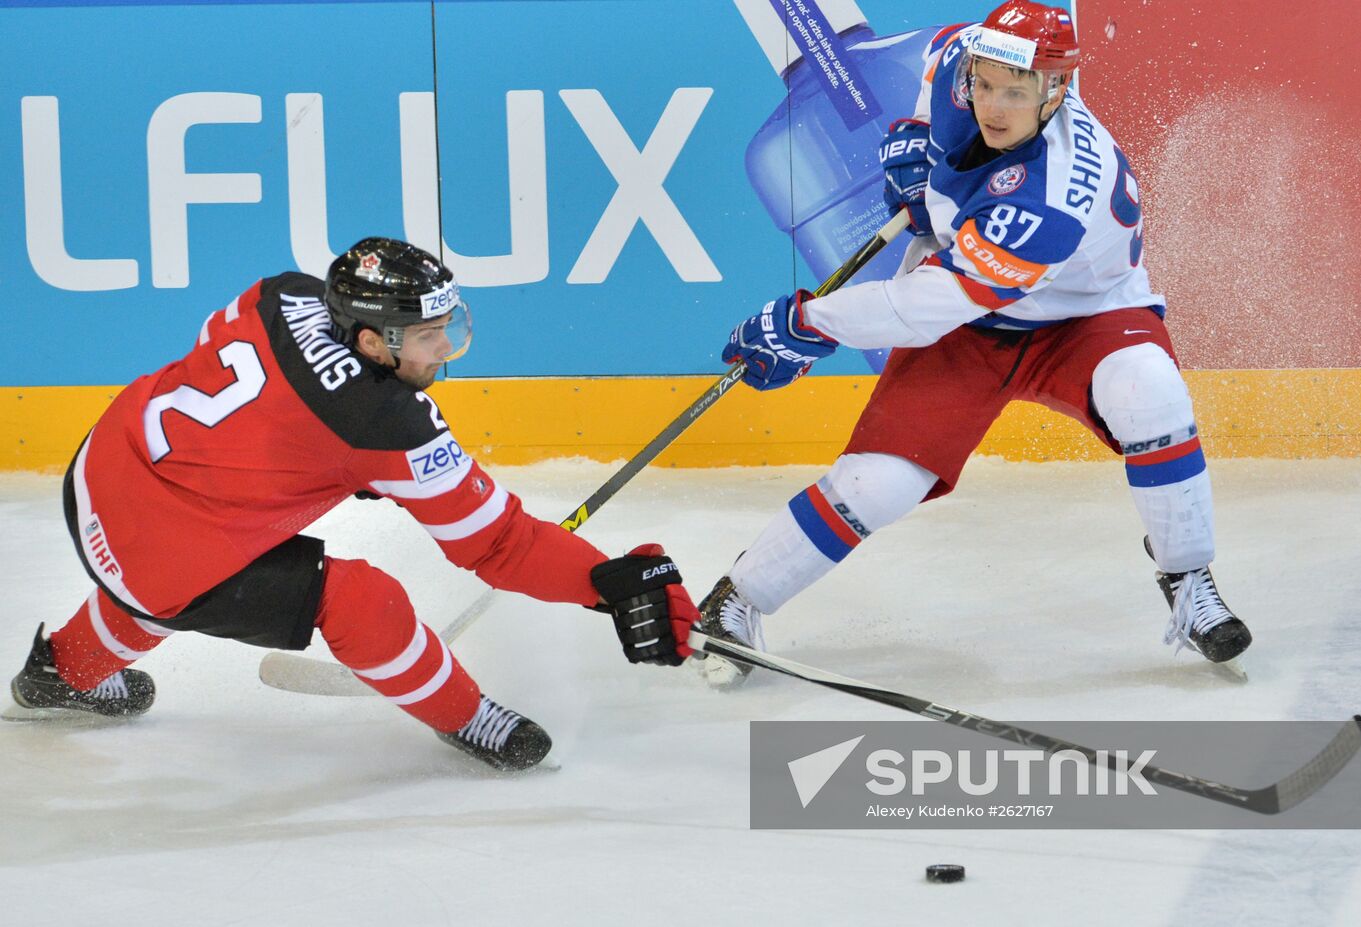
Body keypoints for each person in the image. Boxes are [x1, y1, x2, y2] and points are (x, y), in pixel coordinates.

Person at [695, 0, 1251, 688]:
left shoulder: (1052, 197)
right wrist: (916, 137)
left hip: (1081, 317)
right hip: (970, 322)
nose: (992, 104)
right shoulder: (962, 55)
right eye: (985, 84)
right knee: (880, 484)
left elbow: (919, 309)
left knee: (1151, 393)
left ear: (1057, 91)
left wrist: (809, 323)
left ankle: (1188, 577)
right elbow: (936, 91)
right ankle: (735, 602)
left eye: (1015, 93)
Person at [8, 237, 701, 770]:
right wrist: (605, 585)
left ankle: (61, 671)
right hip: (157, 552)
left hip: (103, 464)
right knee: (360, 599)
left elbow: (231, 366)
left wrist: (311, 455)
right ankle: (467, 715)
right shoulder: (385, 423)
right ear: (371, 340)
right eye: (430, 336)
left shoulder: (286, 293)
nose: (445, 349)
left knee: (161, 569)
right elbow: (500, 544)